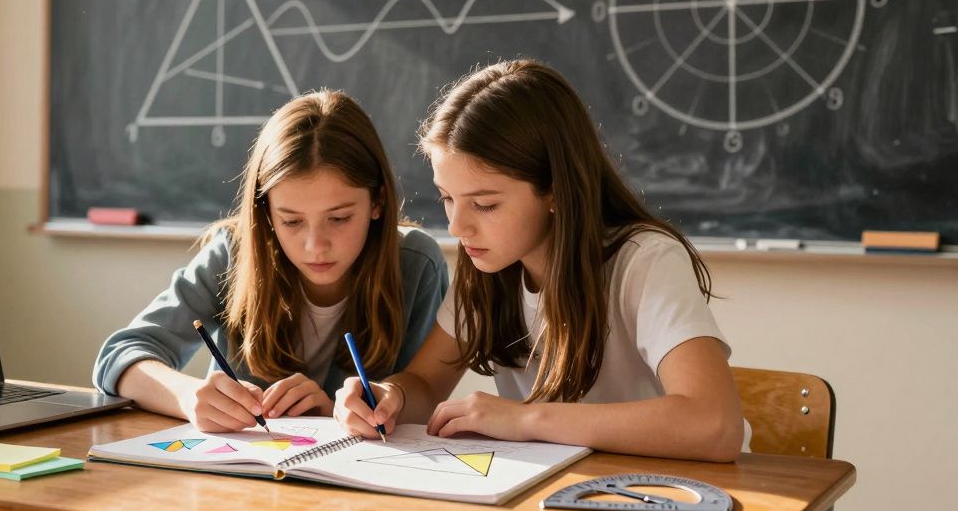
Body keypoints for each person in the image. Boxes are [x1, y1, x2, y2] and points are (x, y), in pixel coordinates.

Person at [333, 59, 745, 462]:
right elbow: (425, 382)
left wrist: (527, 418)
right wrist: (391, 396)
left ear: (555, 190)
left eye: (485, 204)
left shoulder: (645, 260)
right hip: (559, 487)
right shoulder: (488, 266)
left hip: (668, 488)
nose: (458, 227)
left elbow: (715, 425)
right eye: (447, 198)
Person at [93, 90, 447, 432]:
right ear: (266, 213)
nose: (315, 246)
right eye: (291, 221)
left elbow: (422, 395)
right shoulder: (234, 252)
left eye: (339, 218)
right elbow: (118, 357)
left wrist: (336, 415)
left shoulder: (415, 265)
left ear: (378, 202)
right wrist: (187, 397)